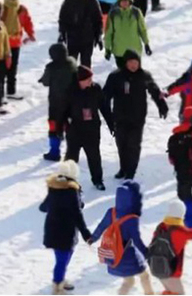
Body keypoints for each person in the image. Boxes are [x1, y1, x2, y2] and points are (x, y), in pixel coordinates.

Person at [103, 50, 168, 179]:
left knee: (133, 145)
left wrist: (162, 105)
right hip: (120, 117)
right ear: (125, 63)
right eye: (131, 62)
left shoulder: (144, 76)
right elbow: (105, 96)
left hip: (137, 118)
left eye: (136, 62)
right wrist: (107, 113)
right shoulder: (115, 77)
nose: (133, 65)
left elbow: (154, 91)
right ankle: (123, 168)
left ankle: (130, 172)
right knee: (122, 144)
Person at [88, 181, 154, 294]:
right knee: (144, 276)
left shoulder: (111, 212)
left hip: (114, 257)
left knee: (128, 281)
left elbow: (101, 226)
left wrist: (93, 238)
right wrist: (147, 254)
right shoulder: (132, 219)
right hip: (128, 257)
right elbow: (137, 241)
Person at [38, 160, 91, 295]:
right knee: (63, 258)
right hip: (65, 230)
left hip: (53, 228)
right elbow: (77, 214)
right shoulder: (72, 191)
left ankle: (60, 278)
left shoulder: (54, 188)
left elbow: (43, 207)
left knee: (62, 257)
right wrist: (86, 234)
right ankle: (57, 287)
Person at [65, 66, 113, 191]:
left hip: (92, 129)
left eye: (91, 78)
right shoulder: (70, 91)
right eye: (87, 79)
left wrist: (111, 124)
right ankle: (69, 182)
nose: (90, 81)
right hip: (75, 129)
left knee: (94, 156)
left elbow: (104, 107)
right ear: (79, 80)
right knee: (71, 157)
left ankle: (97, 180)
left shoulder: (96, 89)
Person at [148, 201, 192, 294]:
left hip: (157, 266)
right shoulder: (179, 231)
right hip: (171, 271)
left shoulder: (161, 226)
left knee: (170, 292)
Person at [39, 44, 78, 162]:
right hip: (71, 100)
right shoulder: (72, 62)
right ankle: (71, 153)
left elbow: (46, 82)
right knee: (69, 127)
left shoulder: (51, 67)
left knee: (54, 127)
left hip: (56, 102)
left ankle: (54, 152)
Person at [58, 0, 103, 68]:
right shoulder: (69, 1)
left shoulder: (93, 2)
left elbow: (98, 20)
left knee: (86, 63)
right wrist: (62, 33)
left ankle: (86, 81)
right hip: (73, 37)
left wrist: (98, 36)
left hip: (88, 38)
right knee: (71, 63)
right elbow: (63, 18)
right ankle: (72, 81)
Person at [2, 0, 35, 100]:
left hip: (2, 44)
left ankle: (0, 93)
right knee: (12, 68)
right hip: (14, 43)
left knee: (2, 69)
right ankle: (10, 91)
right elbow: (27, 22)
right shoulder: (21, 9)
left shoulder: (1, 9)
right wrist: (30, 34)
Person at [104, 0, 150, 68]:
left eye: (126, 1)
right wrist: (107, 48)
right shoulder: (113, 14)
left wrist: (146, 43)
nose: (125, 3)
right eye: (122, 1)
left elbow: (142, 29)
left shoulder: (136, 12)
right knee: (122, 76)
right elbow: (109, 32)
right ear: (119, 2)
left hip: (134, 51)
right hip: (119, 51)